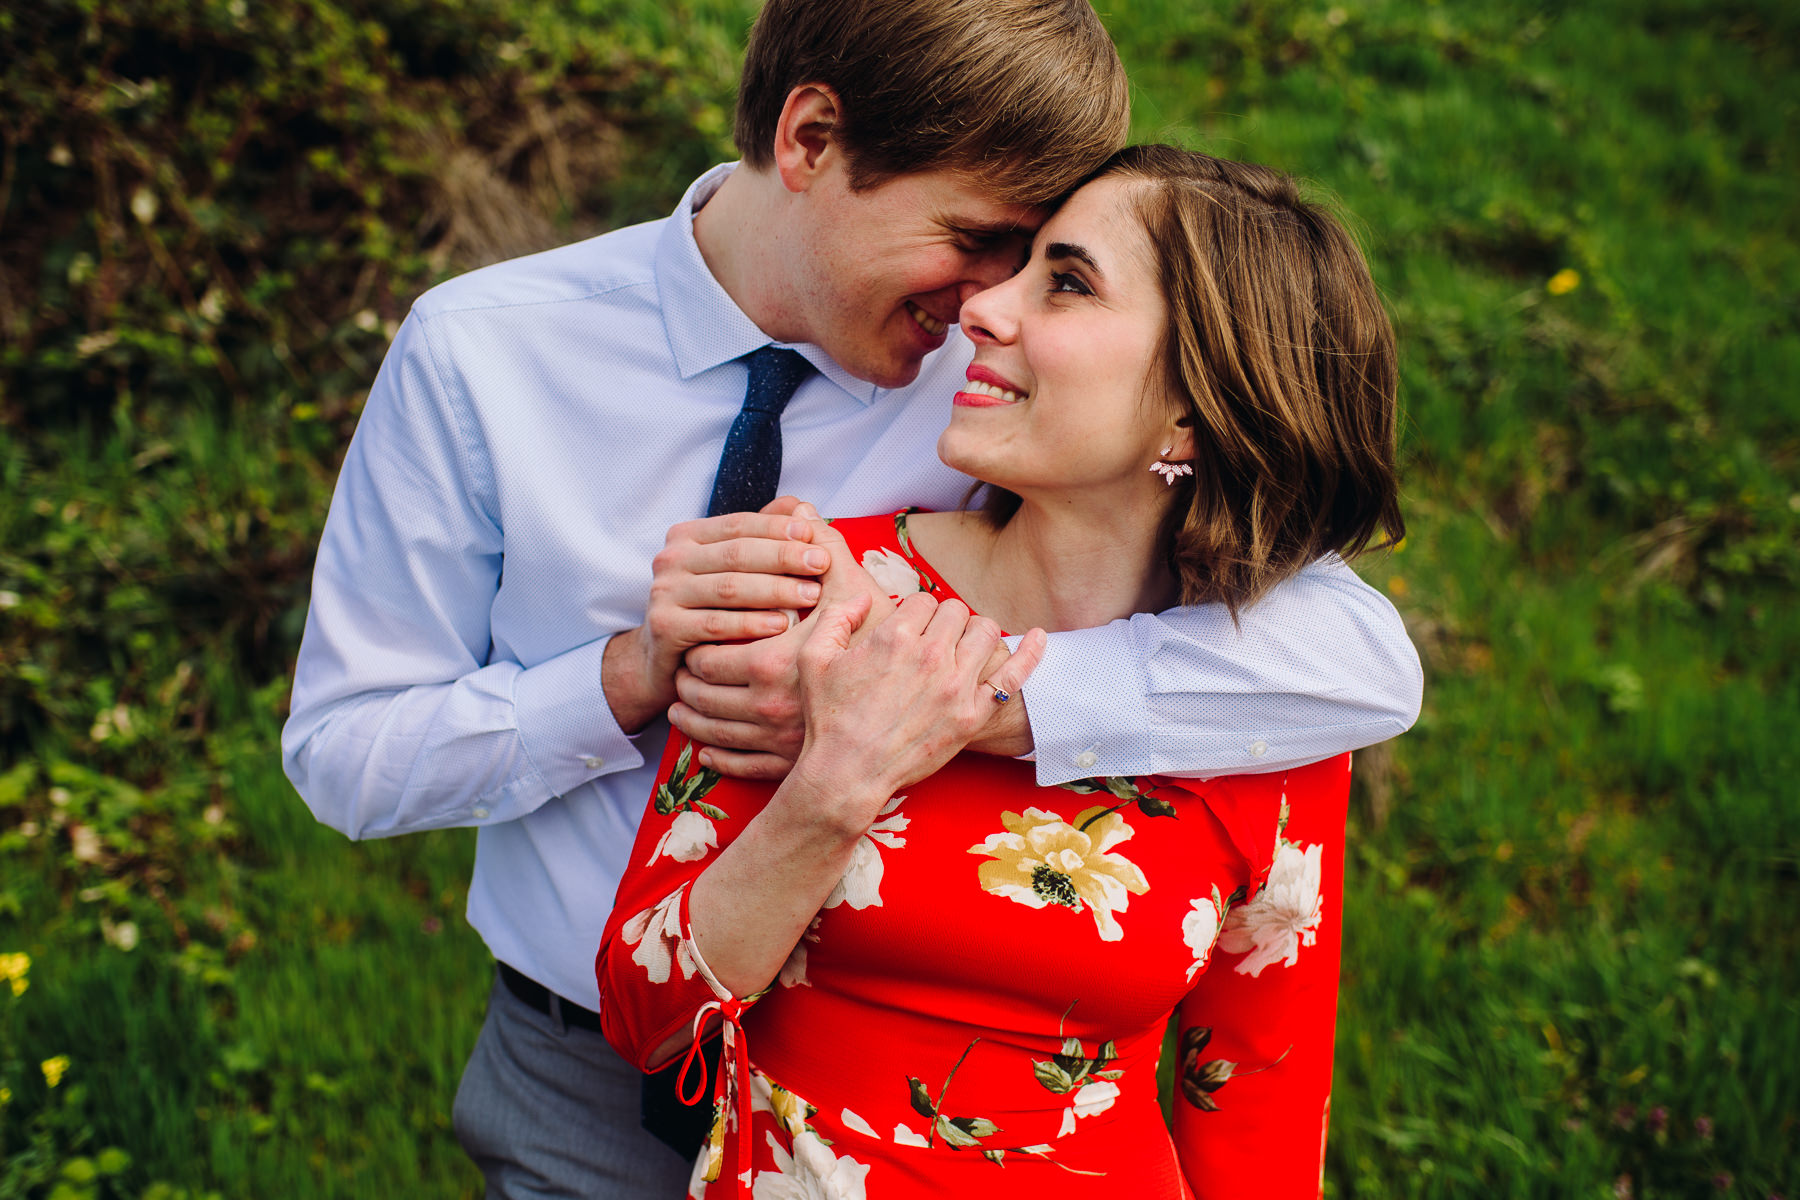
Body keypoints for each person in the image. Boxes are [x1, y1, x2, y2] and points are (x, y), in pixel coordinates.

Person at [281, 1, 1420, 1194]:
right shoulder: (484, 355)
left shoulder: (1006, 393)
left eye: (1040, 260)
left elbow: (1359, 662)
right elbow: (347, 751)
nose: (989, 300)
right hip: (590, 1076)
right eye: (979, 238)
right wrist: (630, 676)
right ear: (812, 139)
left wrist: (970, 696)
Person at [597, 144, 1399, 1198]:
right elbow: (644, 1013)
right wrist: (833, 790)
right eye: (1014, 265)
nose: (983, 307)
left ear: (1192, 413)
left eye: (1064, 283)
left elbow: (1255, 1107)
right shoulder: (819, 589)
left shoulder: (1269, 704)